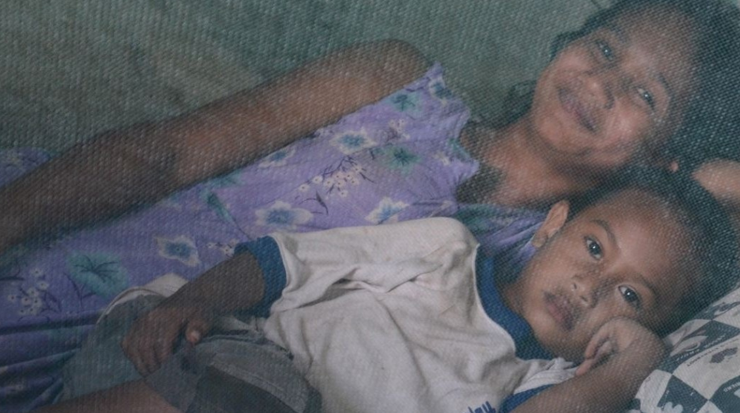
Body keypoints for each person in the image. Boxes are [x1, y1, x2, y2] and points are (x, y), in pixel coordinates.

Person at [0, 0, 739, 412]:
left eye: (645, 95)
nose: (601, 83)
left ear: (665, 158)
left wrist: (690, 173)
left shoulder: (547, 270)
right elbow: (172, 152)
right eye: (604, 46)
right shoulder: (397, 80)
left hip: (193, 377)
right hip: (47, 249)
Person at [37, 167, 740, 413]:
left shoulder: (548, 380)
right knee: (263, 390)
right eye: (594, 247)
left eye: (631, 297)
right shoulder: (443, 251)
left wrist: (627, 371)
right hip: (187, 350)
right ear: (554, 223)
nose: (592, 287)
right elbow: (279, 263)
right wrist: (192, 301)